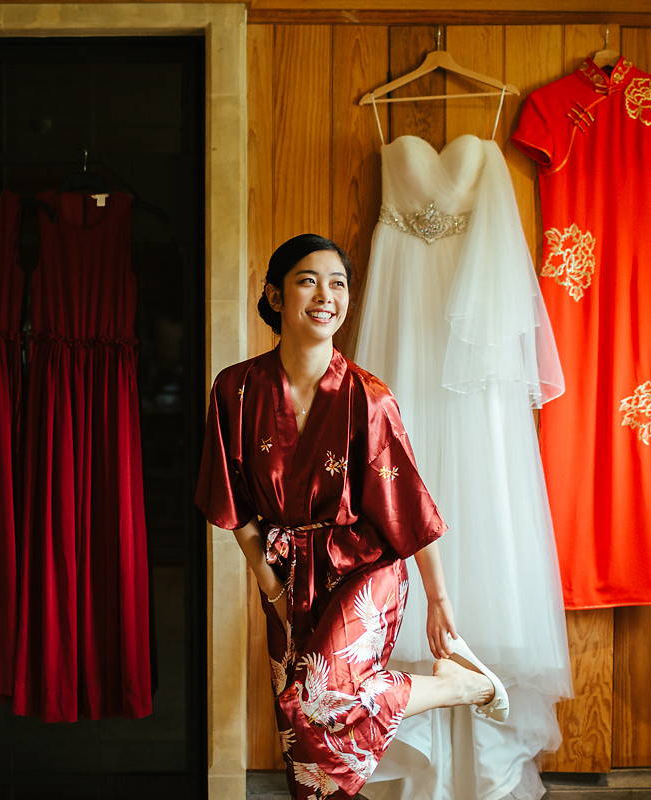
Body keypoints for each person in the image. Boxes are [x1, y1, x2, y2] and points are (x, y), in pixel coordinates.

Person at [196, 233, 510, 799]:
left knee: (320, 693)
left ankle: (458, 687)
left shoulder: (369, 396)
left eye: (337, 283)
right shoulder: (236, 389)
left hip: (366, 567)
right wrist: (267, 582)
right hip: (288, 571)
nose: (325, 295)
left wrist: (440, 602)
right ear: (274, 294)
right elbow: (231, 494)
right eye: (307, 280)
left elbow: (408, 505)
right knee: (304, 736)